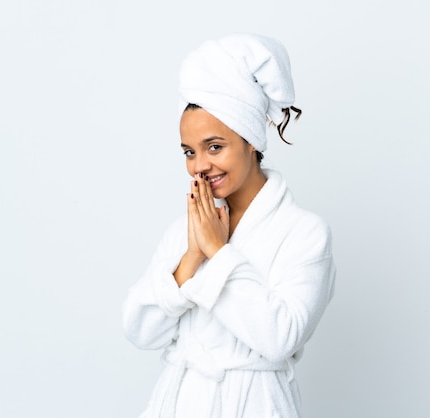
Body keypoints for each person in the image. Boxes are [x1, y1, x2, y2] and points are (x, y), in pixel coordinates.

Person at [123, 33, 336, 418]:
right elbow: (140, 330)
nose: (199, 164)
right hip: (180, 402)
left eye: (214, 146)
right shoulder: (187, 230)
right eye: (189, 152)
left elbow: (279, 338)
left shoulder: (305, 233)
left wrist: (218, 254)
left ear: (251, 140)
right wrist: (191, 257)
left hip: (255, 403)